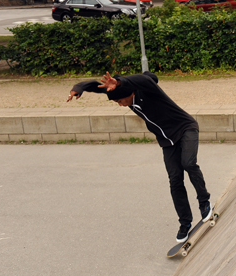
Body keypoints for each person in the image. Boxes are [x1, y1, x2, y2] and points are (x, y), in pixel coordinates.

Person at [67, 71, 212, 243]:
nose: (121, 105)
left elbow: (143, 78)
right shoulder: (121, 93)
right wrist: (77, 89)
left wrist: (120, 82)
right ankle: (185, 223)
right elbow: (97, 86)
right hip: (167, 140)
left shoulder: (147, 89)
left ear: (128, 92)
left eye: (120, 101)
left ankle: (204, 203)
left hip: (185, 128)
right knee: (175, 179)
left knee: (188, 163)